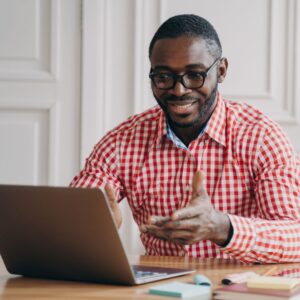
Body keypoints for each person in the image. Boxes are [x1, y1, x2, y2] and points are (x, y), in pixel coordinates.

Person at [70, 14, 300, 263]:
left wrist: (221, 227)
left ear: (221, 71)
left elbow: (295, 237)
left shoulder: (261, 137)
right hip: (158, 289)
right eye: (163, 77)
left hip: (238, 289)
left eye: (195, 75)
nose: (179, 90)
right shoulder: (121, 142)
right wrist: (93, 229)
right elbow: (71, 215)